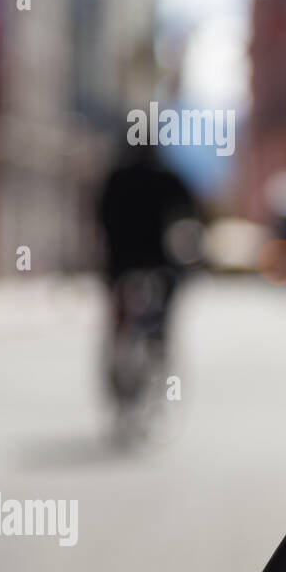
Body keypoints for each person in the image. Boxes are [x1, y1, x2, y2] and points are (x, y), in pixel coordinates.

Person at [96, 136, 201, 435]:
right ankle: (157, 349)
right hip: (157, 264)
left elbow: (99, 217)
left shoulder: (117, 176)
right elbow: (191, 215)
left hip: (121, 265)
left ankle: (126, 357)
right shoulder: (167, 176)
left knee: (120, 322)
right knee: (160, 319)